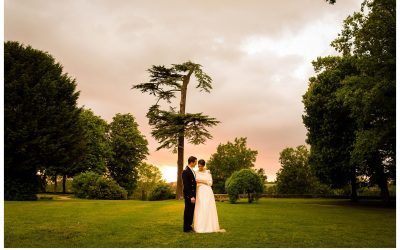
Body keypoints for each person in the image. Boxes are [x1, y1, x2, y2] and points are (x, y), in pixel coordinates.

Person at [193, 159, 225, 233]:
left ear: (203, 166)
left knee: (208, 207)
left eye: (200, 166)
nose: (199, 167)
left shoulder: (208, 173)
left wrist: (201, 181)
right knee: (201, 207)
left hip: (207, 192)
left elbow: (210, 183)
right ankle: (200, 226)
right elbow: (194, 182)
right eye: (198, 165)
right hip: (200, 191)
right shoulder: (196, 172)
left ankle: (210, 226)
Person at [182, 156, 197, 232]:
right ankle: (186, 227)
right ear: (191, 162)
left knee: (191, 211)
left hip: (193, 194)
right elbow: (187, 185)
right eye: (195, 162)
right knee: (188, 211)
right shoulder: (185, 171)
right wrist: (191, 196)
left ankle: (189, 226)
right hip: (189, 195)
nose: (196, 163)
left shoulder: (192, 171)